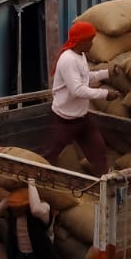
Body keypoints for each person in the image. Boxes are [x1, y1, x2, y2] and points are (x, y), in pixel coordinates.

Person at [43, 20, 117, 175]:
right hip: (65, 120)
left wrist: (107, 73)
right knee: (51, 156)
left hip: (82, 119)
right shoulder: (68, 60)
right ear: (81, 41)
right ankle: (41, 185)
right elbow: (77, 90)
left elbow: (85, 77)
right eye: (90, 40)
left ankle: (103, 188)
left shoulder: (80, 55)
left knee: (99, 152)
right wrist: (105, 94)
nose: (92, 44)